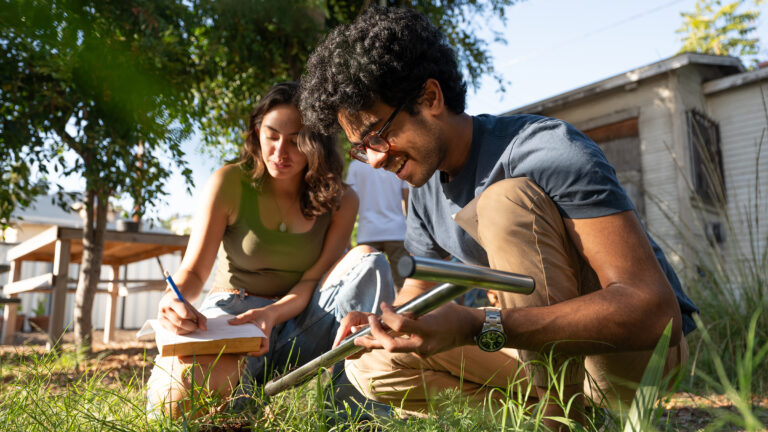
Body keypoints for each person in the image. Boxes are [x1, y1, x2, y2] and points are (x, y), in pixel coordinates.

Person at [298, 7, 699, 426]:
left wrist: (479, 324)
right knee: (374, 363)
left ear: (431, 98)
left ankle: (560, 420)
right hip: (537, 359)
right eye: (362, 148)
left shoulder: (545, 150)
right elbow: (416, 294)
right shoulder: (424, 188)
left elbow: (653, 311)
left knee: (502, 202)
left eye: (379, 136)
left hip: (626, 364)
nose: (375, 160)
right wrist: (386, 324)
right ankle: (555, 418)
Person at [145, 82, 395, 417]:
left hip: (300, 322)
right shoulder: (229, 182)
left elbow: (311, 283)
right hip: (234, 318)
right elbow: (194, 271)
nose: (280, 151)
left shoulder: (342, 199)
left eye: (296, 141)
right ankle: (241, 401)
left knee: (370, 260)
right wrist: (173, 299)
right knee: (180, 404)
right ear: (256, 132)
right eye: (271, 135)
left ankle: (351, 414)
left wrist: (271, 314)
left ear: (317, 142)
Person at [346, 159, 409, 291]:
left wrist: (347, 237)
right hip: (397, 231)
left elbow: (349, 202)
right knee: (404, 285)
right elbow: (408, 200)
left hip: (367, 233)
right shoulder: (397, 162)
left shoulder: (355, 166)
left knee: (368, 287)